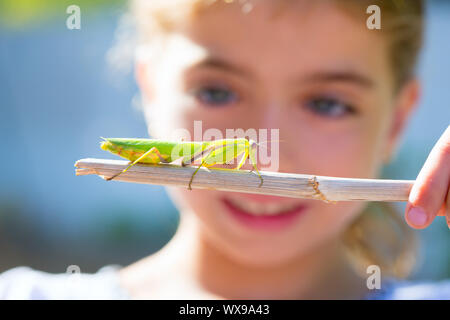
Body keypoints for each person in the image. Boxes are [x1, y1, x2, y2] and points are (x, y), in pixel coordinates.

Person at [1, 0, 449, 300]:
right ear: (151, 90)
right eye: (216, 92)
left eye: (327, 103)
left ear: (397, 121)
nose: (272, 155)